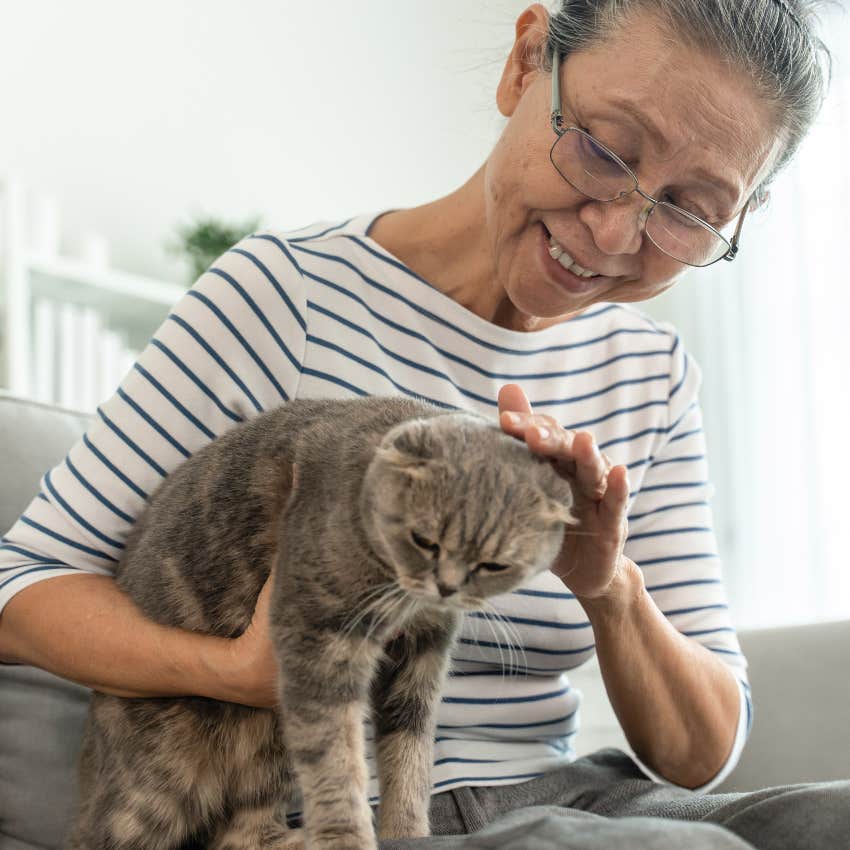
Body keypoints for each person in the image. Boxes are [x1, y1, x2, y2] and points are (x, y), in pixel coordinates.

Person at [0, 1, 846, 848]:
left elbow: (702, 756)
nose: (617, 232)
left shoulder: (650, 373)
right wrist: (238, 673)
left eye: (690, 210)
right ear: (526, 63)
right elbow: (22, 591)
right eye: (603, 149)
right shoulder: (286, 297)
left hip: (572, 799)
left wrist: (606, 584)